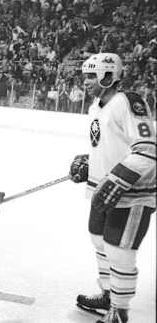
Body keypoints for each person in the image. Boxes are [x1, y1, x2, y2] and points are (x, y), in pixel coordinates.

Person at [70, 53, 156, 323]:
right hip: (103, 192)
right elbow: (108, 144)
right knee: (100, 242)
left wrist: (117, 178)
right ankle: (108, 295)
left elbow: (147, 149)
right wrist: (90, 162)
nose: (85, 81)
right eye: (84, 75)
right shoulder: (96, 106)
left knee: (119, 253)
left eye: (90, 75)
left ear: (108, 77)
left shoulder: (128, 102)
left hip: (132, 195)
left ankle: (119, 312)